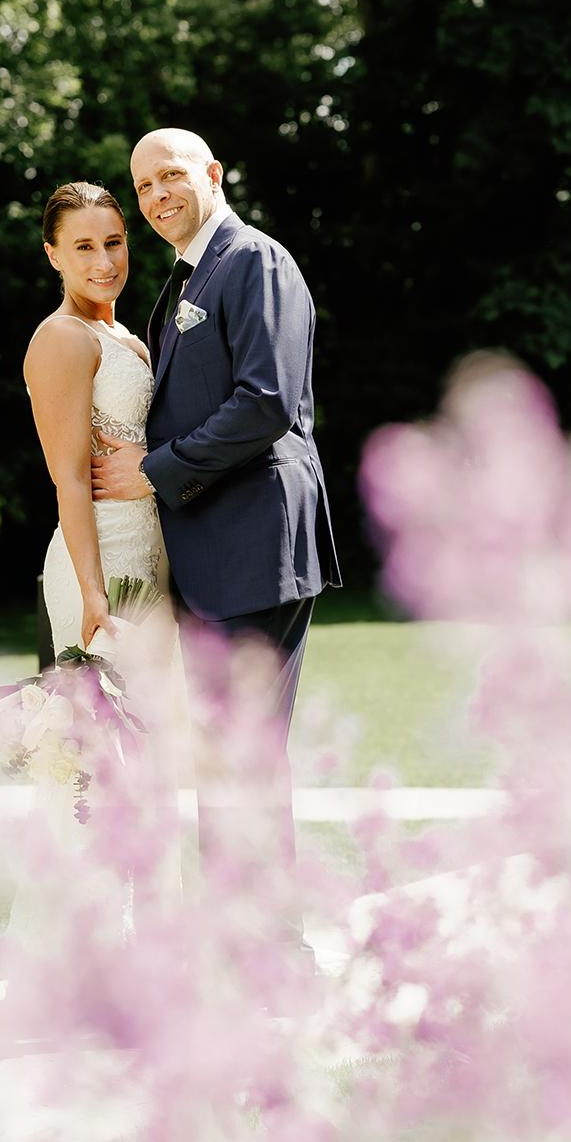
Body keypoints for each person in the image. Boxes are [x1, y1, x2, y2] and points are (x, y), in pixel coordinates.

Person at [90, 128, 340, 857]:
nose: (157, 195)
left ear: (213, 174)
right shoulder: (183, 281)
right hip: (210, 553)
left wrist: (155, 467)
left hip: (256, 544)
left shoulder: (253, 259)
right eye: (143, 187)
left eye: (170, 175)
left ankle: (266, 948)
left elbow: (265, 402)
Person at [26, 180, 169, 658]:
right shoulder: (62, 338)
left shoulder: (126, 337)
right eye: (83, 247)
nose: (104, 262)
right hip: (103, 563)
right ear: (54, 256)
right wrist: (92, 594)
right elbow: (68, 478)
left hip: (153, 556)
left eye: (113, 243)